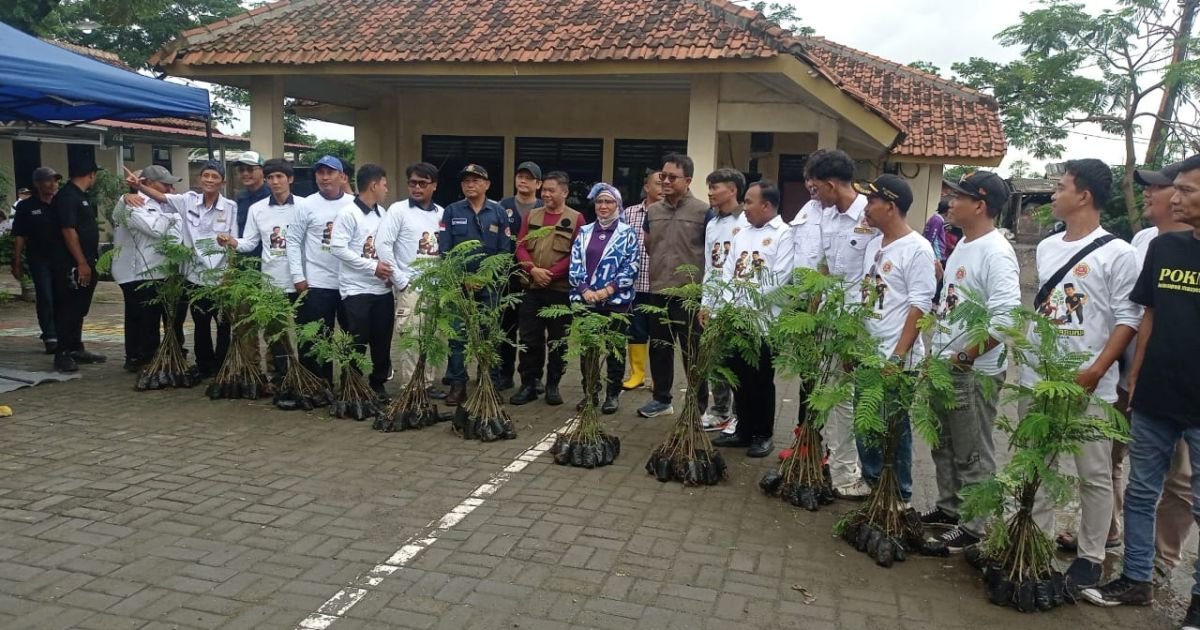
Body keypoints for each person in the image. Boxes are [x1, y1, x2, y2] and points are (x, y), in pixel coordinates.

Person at [1080, 154, 1200, 628]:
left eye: (1187, 190)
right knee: (1141, 491)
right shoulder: (1163, 250)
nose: (1174, 196)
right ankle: (1134, 579)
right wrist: (1135, 379)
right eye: (1178, 189)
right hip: (1154, 397)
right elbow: (1148, 316)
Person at [1017, 159, 1140, 594]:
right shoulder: (1048, 246)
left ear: (1083, 195)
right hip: (1038, 377)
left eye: (1061, 186)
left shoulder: (1119, 254)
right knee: (1038, 464)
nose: (1054, 194)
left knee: (1094, 474)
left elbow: (1128, 319)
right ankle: (1034, 541)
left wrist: (1097, 369)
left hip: (1090, 383)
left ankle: (1091, 556)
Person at [923, 170, 1021, 552]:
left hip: (972, 372)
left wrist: (965, 356)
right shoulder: (964, 243)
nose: (950, 202)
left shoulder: (997, 252)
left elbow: (1008, 319)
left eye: (959, 197)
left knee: (973, 451)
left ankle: (974, 526)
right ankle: (950, 509)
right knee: (943, 443)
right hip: (947, 366)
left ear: (980, 205)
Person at [852, 175, 937, 504]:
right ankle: (873, 481)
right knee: (865, 423)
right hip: (868, 352)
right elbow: (866, 295)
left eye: (872, 201)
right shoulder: (875, 243)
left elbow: (920, 306)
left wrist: (898, 356)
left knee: (893, 428)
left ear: (890, 206)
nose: (867, 207)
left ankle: (898, 495)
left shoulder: (917, 249)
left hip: (895, 358)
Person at [805, 149, 878, 498]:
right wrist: (813, 307)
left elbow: (878, 274)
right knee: (833, 396)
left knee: (856, 399)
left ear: (832, 184)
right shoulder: (830, 216)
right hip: (829, 321)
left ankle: (856, 472)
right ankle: (840, 467)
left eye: (817, 187)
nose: (813, 194)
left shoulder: (872, 215)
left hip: (861, 325)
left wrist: (856, 328)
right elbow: (824, 266)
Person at [124, 161, 238, 378]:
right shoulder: (188, 201)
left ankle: (221, 364)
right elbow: (160, 197)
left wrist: (229, 274)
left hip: (220, 276)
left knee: (224, 325)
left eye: (215, 177)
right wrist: (137, 187)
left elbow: (233, 242)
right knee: (200, 323)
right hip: (195, 275)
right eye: (206, 175)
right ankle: (204, 365)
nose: (210, 180)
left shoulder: (230, 207)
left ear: (222, 182)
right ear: (199, 179)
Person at [706, 180, 794, 457]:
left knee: (761, 380)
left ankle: (762, 434)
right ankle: (743, 429)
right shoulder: (742, 232)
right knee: (739, 378)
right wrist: (727, 307)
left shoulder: (785, 234)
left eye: (749, 201)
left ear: (766, 205)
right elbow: (731, 271)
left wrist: (747, 304)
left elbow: (779, 279)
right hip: (735, 318)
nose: (745, 207)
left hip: (763, 321)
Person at [638, 153, 711, 418]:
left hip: (689, 294)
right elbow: (648, 244)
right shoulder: (653, 211)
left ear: (688, 180)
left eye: (672, 177)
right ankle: (661, 399)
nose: (665, 181)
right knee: (659, 347)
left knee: (692, 350)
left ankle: (697, 405)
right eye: (662, 176)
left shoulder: (703, 212)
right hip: (658, 290)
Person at [438, 164, 513, 406]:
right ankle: (458, 384)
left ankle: (488, 382)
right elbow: (445, 251)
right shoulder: (451, 211)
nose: (470, 184)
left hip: (489, 287)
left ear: (487, 184)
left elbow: (504, 250)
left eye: (476, 180)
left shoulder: (499, 212)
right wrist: (464, 280)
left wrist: (484, 278)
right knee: (457, 336)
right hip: (460, 287)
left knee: (489, 335)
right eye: (466, 180)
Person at [219, 158, 302, 377]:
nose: (275, 182)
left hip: (301, 279)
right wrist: (232, 241)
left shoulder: (305, 206)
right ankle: (283, 377)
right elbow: (250, 242)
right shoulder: (257, 208)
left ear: (290, 179)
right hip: (271, 278)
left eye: (279, 177)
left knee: (305, 331)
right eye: (271, 177)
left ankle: (307, 374)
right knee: (276, 331)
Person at [510, 171, 582, 407]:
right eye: (545, 191)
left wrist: (550, 274)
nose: (547, 194)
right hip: (532, 287)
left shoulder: (576, 219)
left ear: (565, 192)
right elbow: (520, 246)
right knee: (530, 339)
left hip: (559, 290)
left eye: (552, 190)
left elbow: (576, 254)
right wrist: (533, 270)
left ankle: (553, 385)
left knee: (558, 341)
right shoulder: (532, 215)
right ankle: (529, 384)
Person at [569, 183, 639, 413]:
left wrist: (607, 290)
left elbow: (631, 267)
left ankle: (612, 394)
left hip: (616, 301)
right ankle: (590, 392)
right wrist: (584, 289)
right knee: (588, 349)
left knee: (615, 349)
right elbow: (575, 263)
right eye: (600, 202)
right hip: (587, 299)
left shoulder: (627, 234)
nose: (604, 206)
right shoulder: (585, 231)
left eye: (609, 202)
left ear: (617, 205)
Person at [376, 162, 444, 389]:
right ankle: (412, 388)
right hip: (411, 287)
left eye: (422, 183)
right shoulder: (398, 210)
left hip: (437, 287)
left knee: (432, 339)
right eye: (412, 183)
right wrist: (401, 280)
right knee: (412, 339)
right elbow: (383, 245)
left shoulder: (442, 214)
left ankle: (426, 384)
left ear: (433, 185)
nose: (416, 188)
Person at [330, 164, 394, 399]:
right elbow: (338, 249)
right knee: (356, 340)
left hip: (382, 290)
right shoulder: (348, 213)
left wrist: (391, 274)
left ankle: (378, 382)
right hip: (356, 290)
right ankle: (352, 383)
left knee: (382, 340)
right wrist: (372, 266)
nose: (387, 189)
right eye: (385, 185)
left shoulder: (383, 213)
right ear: (374, 185)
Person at [112, 166, 185, 372]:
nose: (171, 189)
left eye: (172, 185)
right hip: (137, 272)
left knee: (160, 317)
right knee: (143, 319)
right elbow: (156, 230)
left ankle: (160, 355)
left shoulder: (164, 204)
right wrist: (175, 216)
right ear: (146, 183)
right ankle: (139, 358)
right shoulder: (132, 203)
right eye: (165, 184)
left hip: (162, 271)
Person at [288, 155, 353, 381]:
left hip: (349, 283)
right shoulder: (306, 205)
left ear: (342, 176)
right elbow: (293, 240)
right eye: (320, 173)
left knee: (350, 336)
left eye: (330, 172)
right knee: (315, 337)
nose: (325, 178)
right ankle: (317, 384)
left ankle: (350, 383)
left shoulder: (353, 205)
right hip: (317, 282)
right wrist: (298, 275)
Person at [699, 168, 748, 433]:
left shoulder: (747, 222)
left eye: (715, 187)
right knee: (715, 360)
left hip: (739, 303)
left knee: (738, 363)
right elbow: (709, 265)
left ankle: (741, 414)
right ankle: (719, 411)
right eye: (709, 187)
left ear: (732, 190)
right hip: (715, 301)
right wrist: (705, 302)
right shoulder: (712, 223)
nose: (710, 192)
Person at [49, 159, 106, 372]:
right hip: (70, 264)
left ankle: (75, 347)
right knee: (68, 308)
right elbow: (68, 230)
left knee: (79, 308)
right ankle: (62, 352)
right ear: (91, 174)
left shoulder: (81, 196)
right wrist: (81, 262)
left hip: (87, 261)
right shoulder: (67, 197)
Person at [496, 161, 542, 390]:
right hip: (507, 277)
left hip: (534, 278)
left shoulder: (543, 208)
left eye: (528, 177)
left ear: (538, 183)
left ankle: (533, 376)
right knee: (506, 329)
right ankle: (504, 374)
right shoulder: (502, 206)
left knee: (532, 332)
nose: (522, 181)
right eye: (519, 176)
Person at [10, 169, 61, 354]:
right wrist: (16, 260)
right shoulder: (26, 206)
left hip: (62, 258)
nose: (53, 184)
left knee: (61, 297)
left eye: (55, 181)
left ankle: (62, 332)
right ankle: (50, 335)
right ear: (38, 184)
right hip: (39, 258)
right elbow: (20, 235)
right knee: (45, 296)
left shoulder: (61, 203)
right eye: (48, 181)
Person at [619, 170, 660, 391]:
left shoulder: (669, 213)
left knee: (660, 335)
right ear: (646, 187)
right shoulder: (630, 213)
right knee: (636, 331)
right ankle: (637, 374)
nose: (663, 187)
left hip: (660, 286)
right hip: (635, 285)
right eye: (658, 183)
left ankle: (659, 378)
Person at [234, 151, 269, 259]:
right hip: (243, 259)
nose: (245, 174)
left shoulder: (271, 197)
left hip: (266, 260)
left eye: (250, 169)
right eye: (241, 170)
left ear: (262, 171)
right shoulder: (240, 197)